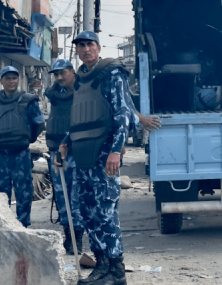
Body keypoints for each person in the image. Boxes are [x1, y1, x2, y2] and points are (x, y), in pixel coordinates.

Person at [57, 31, 143, 285]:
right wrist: (65, 142)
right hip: (84, 157)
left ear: (98, 47)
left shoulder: (111, 73)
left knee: (106, 214)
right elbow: (80, 118)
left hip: (105, 156)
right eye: (80, 46)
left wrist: (116, 151)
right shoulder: (82, 79)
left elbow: (121, 114)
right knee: (88, 213)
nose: (85, 49)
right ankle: (101, 266)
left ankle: (116, 271)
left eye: (89, 45)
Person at [0, 66, 45, 227]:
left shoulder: (28, 100)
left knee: (24, 192)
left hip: (20, 153)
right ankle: (4, 225)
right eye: (7, 78)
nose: (11, 81)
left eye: (14, 78)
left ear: (18, 80)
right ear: (1, 81)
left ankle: (23, 225)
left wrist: (29, 138)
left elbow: (39, 123)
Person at [45, 59, 85, 254]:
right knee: (61, 196)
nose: (59, 77)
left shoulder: (83, 90)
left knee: (77, 195)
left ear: (72, 71)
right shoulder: (54, 94)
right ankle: (68, 236)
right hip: (56, 151)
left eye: (63, 73)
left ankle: (78, 237)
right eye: (56, 74)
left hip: (77, 151)